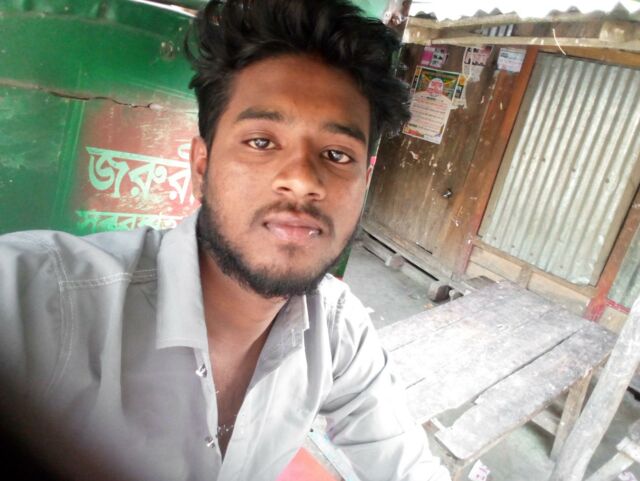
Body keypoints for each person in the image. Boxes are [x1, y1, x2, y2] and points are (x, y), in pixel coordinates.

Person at [0, 1, 450, 480]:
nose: (302, 180)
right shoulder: (43, 301)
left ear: (364, 183)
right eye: (261, 142)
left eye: (337, 154)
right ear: (201, 166)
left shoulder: (337, 331)